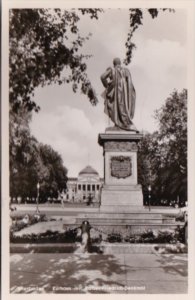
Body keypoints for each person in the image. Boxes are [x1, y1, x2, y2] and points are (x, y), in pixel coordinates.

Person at [101, 57, 137, 131]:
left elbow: (102, 77)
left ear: (114, 64)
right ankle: (124, 123)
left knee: (115, 107)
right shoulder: (126, 71)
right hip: (124, 95)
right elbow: (130, 85)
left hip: (114, 93)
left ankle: (118, 124)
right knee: (123, 108)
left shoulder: (112, 70)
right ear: (120, 63)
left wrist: (107, 86)